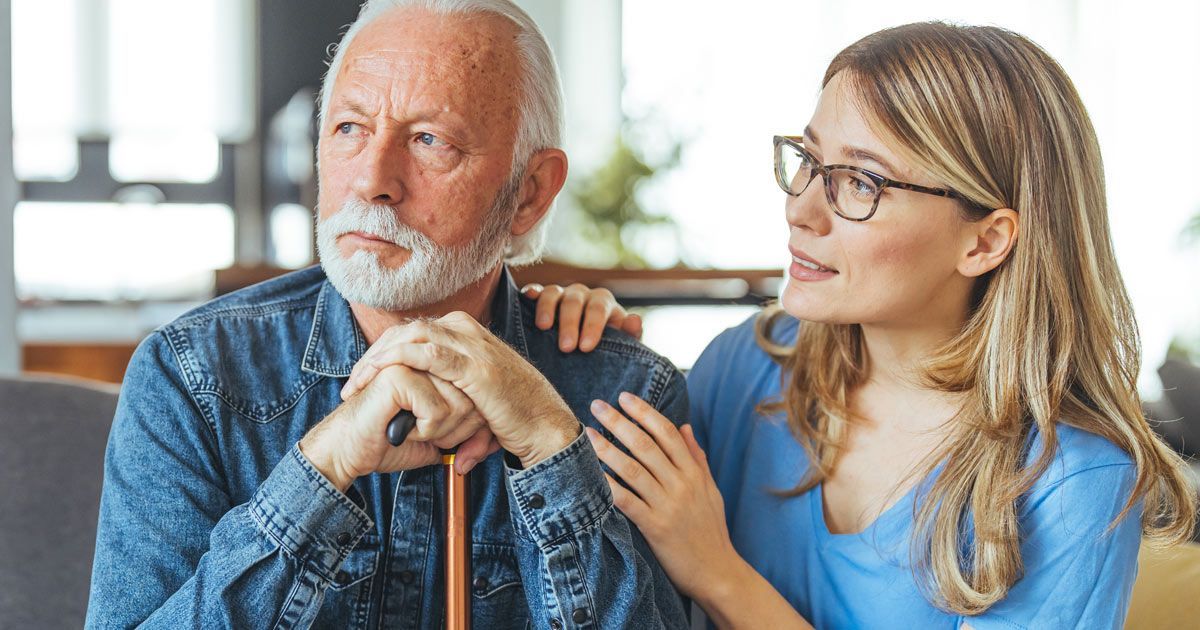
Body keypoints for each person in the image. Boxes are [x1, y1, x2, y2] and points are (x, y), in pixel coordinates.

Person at [523, 22, 1198, 629]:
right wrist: (576, 351)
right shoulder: (745, 368)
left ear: (986, 242)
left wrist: (718, 573)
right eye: (809, 162)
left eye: (861, 184)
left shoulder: (1073, 482)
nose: (802, 211)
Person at [85, 1, 687, 628]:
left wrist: (548, 443)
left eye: (430, 140)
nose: (373, 179)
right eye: (349, 127)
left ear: (529, 192)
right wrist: (324, 468)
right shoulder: (194, 376)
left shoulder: (626, 397)